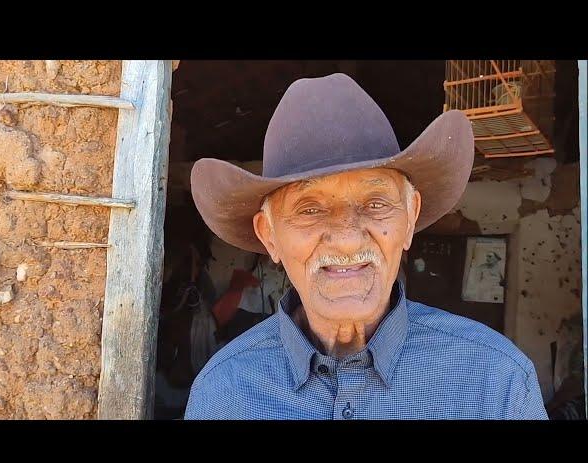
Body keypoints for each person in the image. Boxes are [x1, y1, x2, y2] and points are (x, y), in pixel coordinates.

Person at [184, 73, 548, 419]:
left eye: (375, 204)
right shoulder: (222, 393)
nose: (346, 238)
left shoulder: (497, 383)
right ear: (269, 236)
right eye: (310, 209)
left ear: (409, 219)